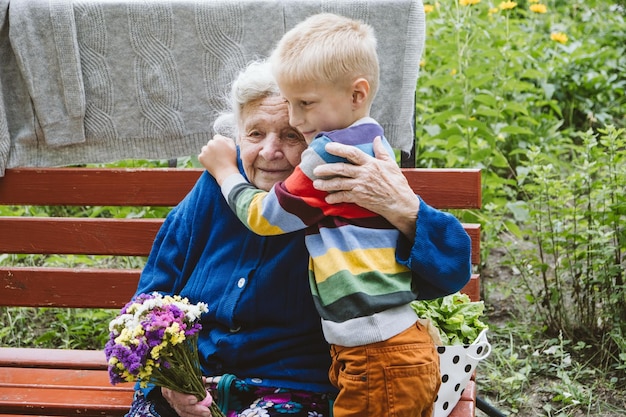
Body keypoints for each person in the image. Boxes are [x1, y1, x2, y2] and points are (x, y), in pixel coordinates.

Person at [126, 57, 471, 417]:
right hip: (192, 381)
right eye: (255, 133)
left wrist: (403, 208)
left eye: (290, 135)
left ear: (317, 137)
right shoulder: (216, 187)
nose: (270, 151)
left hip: (291, 388)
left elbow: (450, 272)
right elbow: (150, 298)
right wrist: (169, 381)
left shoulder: (344, 189)